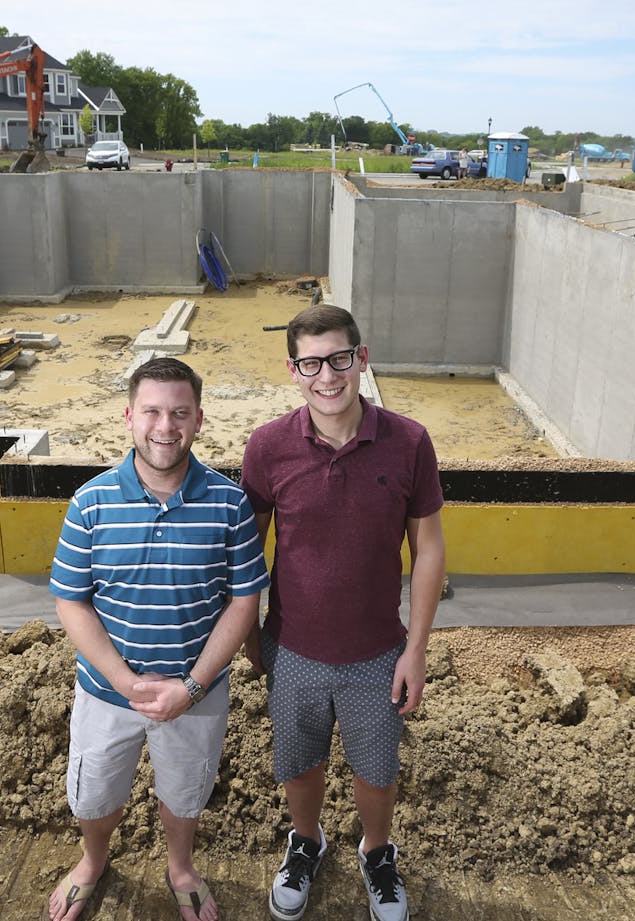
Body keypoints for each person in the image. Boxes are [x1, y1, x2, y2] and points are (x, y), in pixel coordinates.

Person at [240, 304, 446, 921]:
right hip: (294, 647)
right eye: (311, 363)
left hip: (379, 652)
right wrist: (249, 630)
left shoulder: (408, 441)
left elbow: (428, 547)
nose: (326, 376)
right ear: (293, 370)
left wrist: (416, 648)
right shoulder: (268, 446)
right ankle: (306, 843)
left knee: (377, 771)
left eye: (338, 359)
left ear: (361, 359)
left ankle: (377, 853)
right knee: (300, 765)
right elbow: (249, 546)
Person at [48, 356, 270, 921]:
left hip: (195, 696)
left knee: (183, 794)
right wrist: (124, 682)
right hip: (105, 694)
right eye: (151, 411)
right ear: (128, 416)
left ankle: (180, 867)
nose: (164, 426)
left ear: (199, 420)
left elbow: (244, 600)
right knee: (94, 796)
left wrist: (191, 688)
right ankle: (92, 860)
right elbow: (71, 601)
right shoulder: (90, 504)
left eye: (179, 412)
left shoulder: (229, 503)